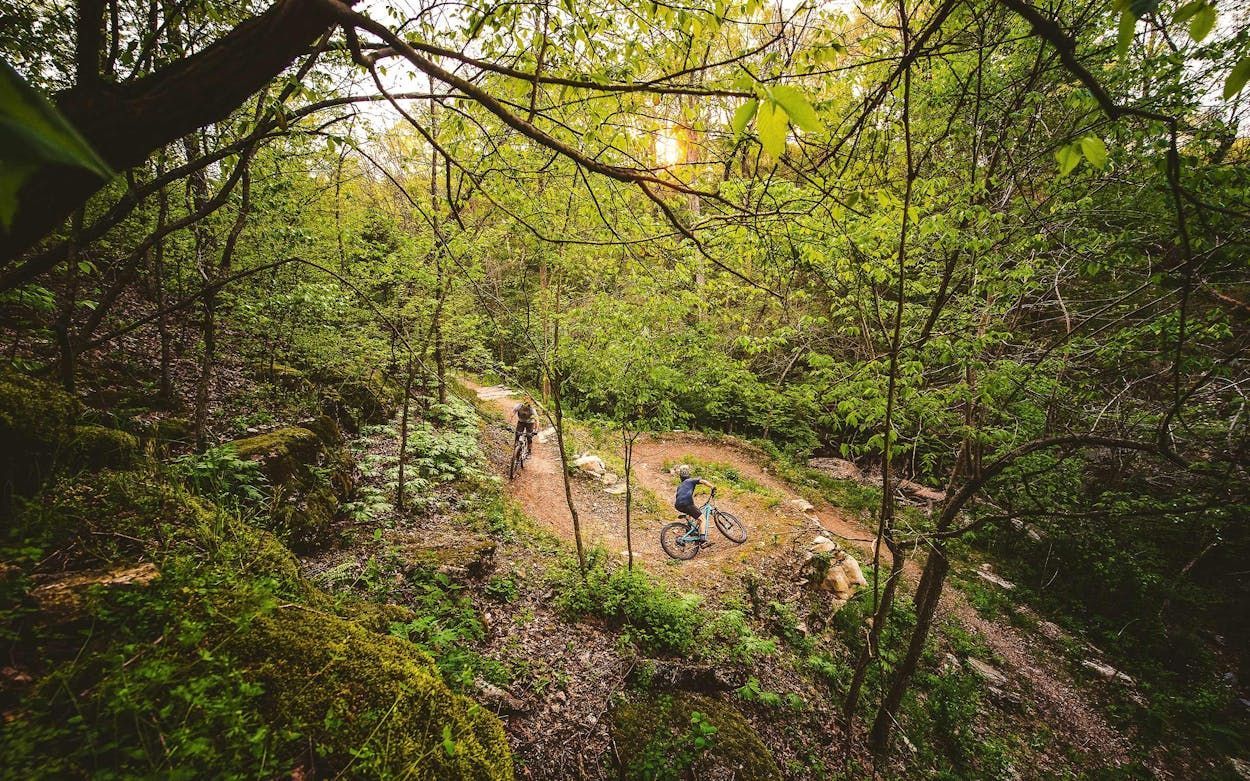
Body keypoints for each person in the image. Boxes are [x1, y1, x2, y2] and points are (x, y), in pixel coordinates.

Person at [674, 464, 715, 540]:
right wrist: (712, 487)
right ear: (689, 475)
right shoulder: (691, 480)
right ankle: (703, 539)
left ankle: (689, 529)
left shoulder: (680, 486)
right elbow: (703, 481)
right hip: (687, 503)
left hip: (678, 505)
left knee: (692, 513)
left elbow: (681, 497)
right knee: (702, 519)